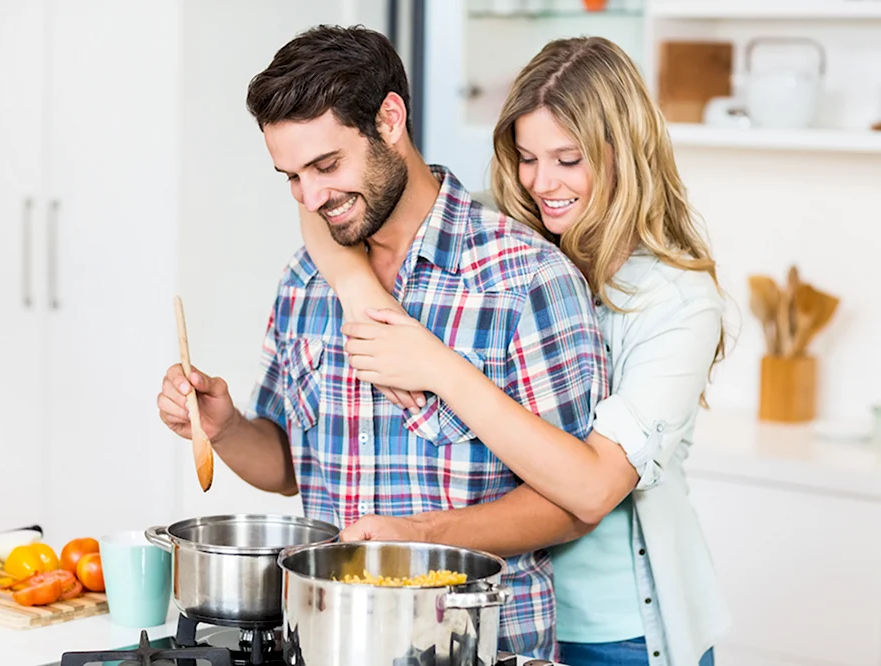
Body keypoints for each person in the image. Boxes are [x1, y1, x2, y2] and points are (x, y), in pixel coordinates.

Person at [156, 26, 607, 660]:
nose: (312, 198)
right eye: (290, 177)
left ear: (389, 119)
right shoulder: (306, 280)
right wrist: (225, 427)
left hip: (476, 647)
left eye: (326, 165)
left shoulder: (525, 279)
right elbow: (289, 468)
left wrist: (414, 539)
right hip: (325, 643)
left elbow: (572, 504)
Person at [297, 36, 730, 666]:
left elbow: (591, 489)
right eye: (527, 157)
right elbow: (319, 209)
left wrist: (438, 367)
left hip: (618, 628)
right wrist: (361, 293)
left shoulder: (679, 302)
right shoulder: (511, 241)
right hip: (508, 609)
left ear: (625, 156)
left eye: (568, 158)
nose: (542, 182)